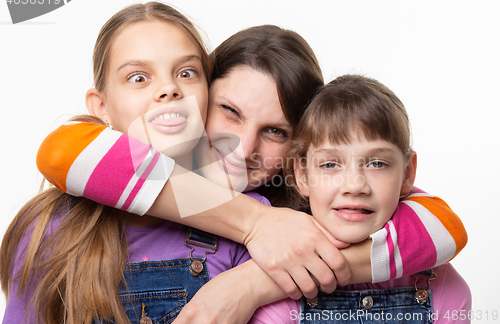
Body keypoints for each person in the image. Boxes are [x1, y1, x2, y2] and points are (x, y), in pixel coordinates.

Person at [33, 23, 467, 324]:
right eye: (229, 112)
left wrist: (252, 284)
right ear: (197, 95)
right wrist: (254, 222)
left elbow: (442, 227)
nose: (242, 149)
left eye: (275, 131)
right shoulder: (98, 190)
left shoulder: (308, 220)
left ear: (302, 153)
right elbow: (61, 150)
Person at [0, 2, 297, 324]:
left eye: (186, 73)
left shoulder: (259, 221)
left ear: (206, 93)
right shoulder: (49, 228)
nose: (168, 88)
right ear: (102, 106)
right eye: (138, 77)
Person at [277, 74, 470, 323]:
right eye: (330, 164)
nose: (355, 185)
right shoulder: (280, 289)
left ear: (407, 173)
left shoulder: (443, 289)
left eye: (377, 163)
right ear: (302, 175)